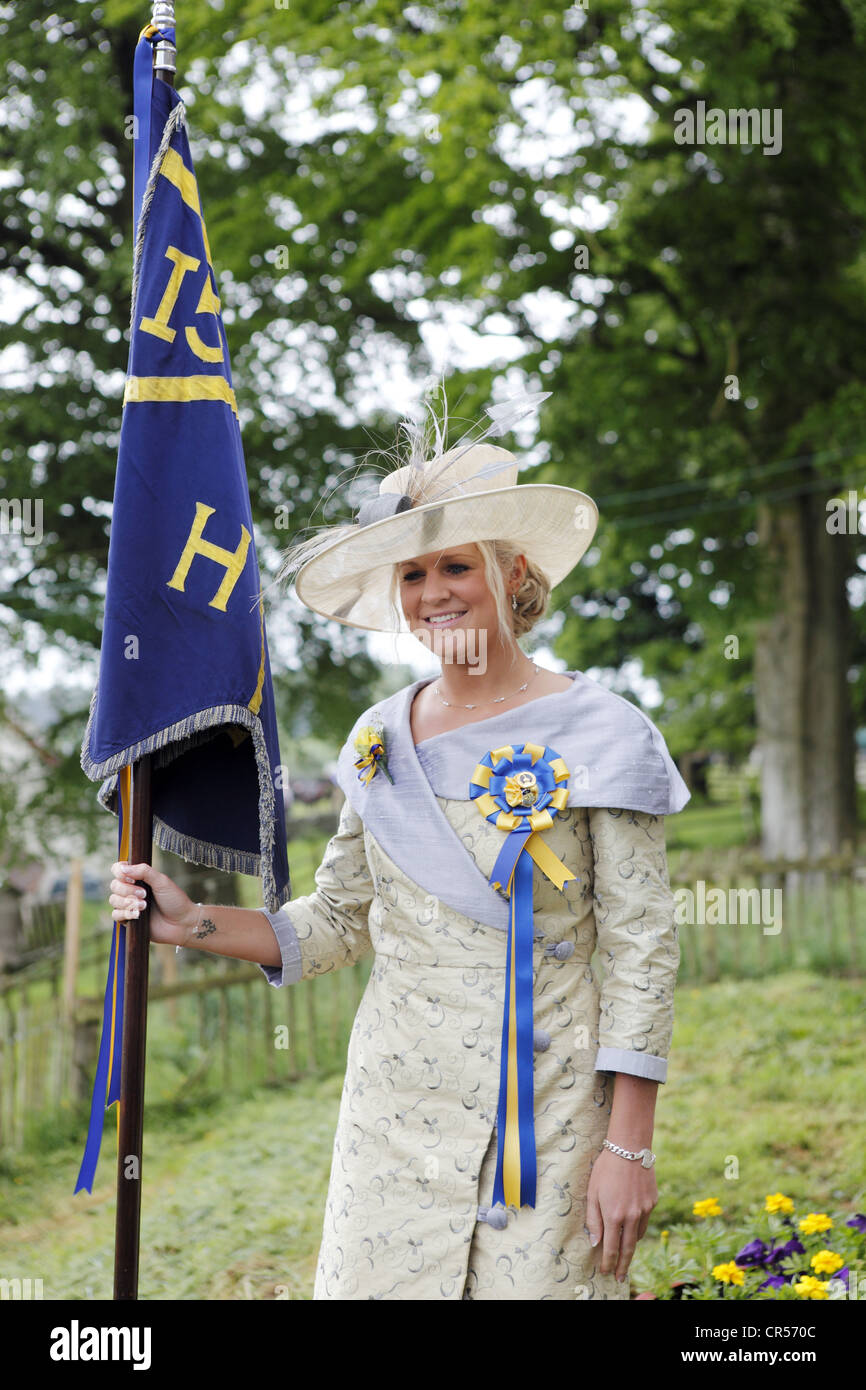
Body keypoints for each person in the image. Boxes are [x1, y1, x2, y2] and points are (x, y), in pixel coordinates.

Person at [108, 393, 690, 1300]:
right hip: (394, 1108)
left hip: (551, 1113)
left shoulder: (602, 729)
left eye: (455, 566)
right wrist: (195, 926)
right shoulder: (379, 736)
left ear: (514, 574)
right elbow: (340, 919)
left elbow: (643, 948)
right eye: (413, 576)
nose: (433, 595)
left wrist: (628, 1144)